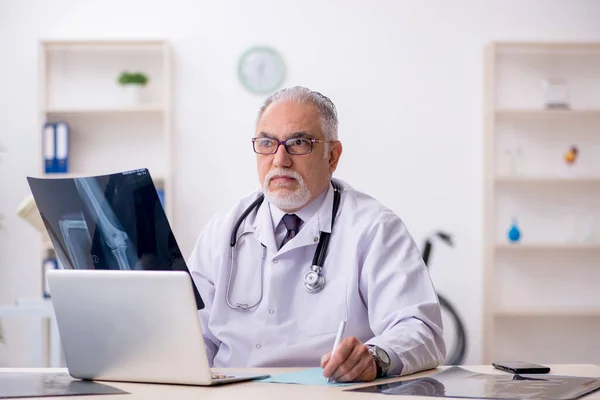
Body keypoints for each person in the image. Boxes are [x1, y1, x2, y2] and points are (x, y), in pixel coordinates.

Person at [187, 86, 445, 383]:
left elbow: (421, 329)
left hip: (328, 393)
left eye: (299, 143)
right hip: (231, 393)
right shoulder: (223, 230)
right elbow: (193, 335)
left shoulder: (375, 228)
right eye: (267, 143)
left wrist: (376, 357)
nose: (280, 159)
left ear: (332, 156)